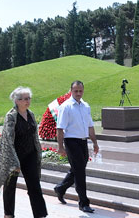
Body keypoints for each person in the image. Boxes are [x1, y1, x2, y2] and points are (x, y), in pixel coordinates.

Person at [0, 87, 48, 218]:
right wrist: (14, 161)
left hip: (30, 155)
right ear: (16, 101)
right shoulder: (11, 116)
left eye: (28, 98)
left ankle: (40, 214)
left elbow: (34, 136)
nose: (26, 101)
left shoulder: (31, 114)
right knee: (9, 186)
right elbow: (7, 139)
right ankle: (9, 214)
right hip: (13, 155)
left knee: (34, 185)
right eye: (23, 99)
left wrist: (38, 153)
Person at [54, 81, 99, 214]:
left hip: (83, 142)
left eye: (80, 91)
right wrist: (60, 147)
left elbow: (90, 126)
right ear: (71, 91)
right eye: (76, 91)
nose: (78, 93)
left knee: (77, 169)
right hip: (71, 141)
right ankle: (83, 203)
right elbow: (60, 128)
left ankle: (61, 188)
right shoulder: (66, 107)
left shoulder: (86, 106)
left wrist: (95, 143)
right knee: (80, 172)